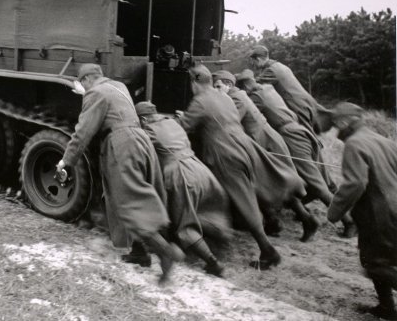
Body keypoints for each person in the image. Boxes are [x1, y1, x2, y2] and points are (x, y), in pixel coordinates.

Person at [56, 64, 184, 284]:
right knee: (134, 196)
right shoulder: (118, 86)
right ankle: (139, 252)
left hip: (122, 145)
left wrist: (66, 161)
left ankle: (165, 252)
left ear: (86, 80)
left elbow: (83, 132)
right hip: (140, 140)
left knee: (129, 201)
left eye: (83, 83)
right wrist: (87, 92)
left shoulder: (95, 93)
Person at [176, 64, 281, 270]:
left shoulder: (200, 100)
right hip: (243, 147)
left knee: (242, 199)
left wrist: (175, 119)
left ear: (195, 82)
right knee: (245, 194)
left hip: (225, 154)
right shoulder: (223, 96)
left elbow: (184, 127)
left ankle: (268, 250)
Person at [236, 70, 356, 238]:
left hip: (291, 136)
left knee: (317, 184)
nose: (244, 90)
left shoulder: (256, 97)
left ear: (246, 85)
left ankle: (348, 221)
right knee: (318, 179)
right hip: (300, 130)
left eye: (242, 87)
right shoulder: (269, 88)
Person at [213, 70, 318, 241]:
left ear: (229, 85)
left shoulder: (237, 98)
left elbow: (228, 122)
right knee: (269, 182)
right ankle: (274, 222)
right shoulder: (236, 96)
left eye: (218, 86)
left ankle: (306, 220)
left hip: (266, 143)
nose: (215, 90)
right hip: (262, 142)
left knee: (275, 182)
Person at [135, 101, 229, 277]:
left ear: (144, 119)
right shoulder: (172, 122)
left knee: (184, 225)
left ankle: (214, 264)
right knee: (203, 210)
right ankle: (212, 244)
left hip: (181, 174)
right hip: (199, 169)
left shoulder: (148, 130)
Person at [327, 103, 397, 320]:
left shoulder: (354, 144)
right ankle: (386, 308)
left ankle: (387, 307)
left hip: (378, 214)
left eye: (336, 125)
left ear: (344, 122)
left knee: (375, 264)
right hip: (393, 208)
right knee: (381, 259)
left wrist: (334, 211)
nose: (336, 130)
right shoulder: (383, 140)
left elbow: (355, 183)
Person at [249, 45, 330, 135]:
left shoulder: (271, 70)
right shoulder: (280, 66)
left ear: (258, 59)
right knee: (309, 135)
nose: (252, 64)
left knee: (305, 136)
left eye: (252, 61)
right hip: (306, 102)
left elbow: (251, 85)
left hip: (297, 106)